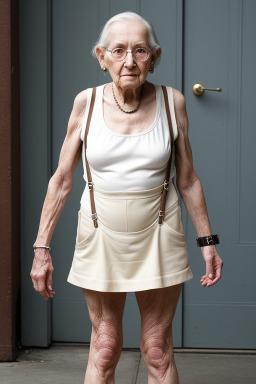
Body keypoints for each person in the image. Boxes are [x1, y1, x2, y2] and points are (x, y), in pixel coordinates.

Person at [30, 11, 223, 384]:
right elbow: (61, 180)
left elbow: (187, 180)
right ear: (101, 57)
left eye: (140, 50)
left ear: (155, 56)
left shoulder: (173, 103)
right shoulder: (85, 104)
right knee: (104, 349)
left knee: (156, 348)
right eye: (118, 51)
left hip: (159, 232)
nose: (130, 61)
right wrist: (42, 249)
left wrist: (208, 242)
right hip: (100, 234)